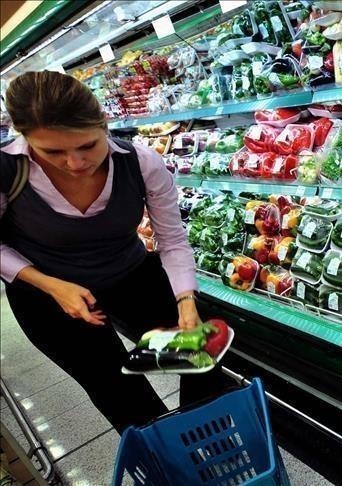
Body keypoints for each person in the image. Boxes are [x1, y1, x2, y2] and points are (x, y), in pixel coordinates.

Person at [0, 71, 223, 434]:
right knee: (120, 392)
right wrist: (51, 285)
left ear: (103, 122)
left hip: (128, 272)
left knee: (202, 351)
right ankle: (166, 452)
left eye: (87, 145)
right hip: (46, 295)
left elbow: (171, 238)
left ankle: (206, 438)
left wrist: (185, 301)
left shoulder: (141, 163)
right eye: (52, 152)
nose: (75, 163)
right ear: (24, 139)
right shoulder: (7, 170)